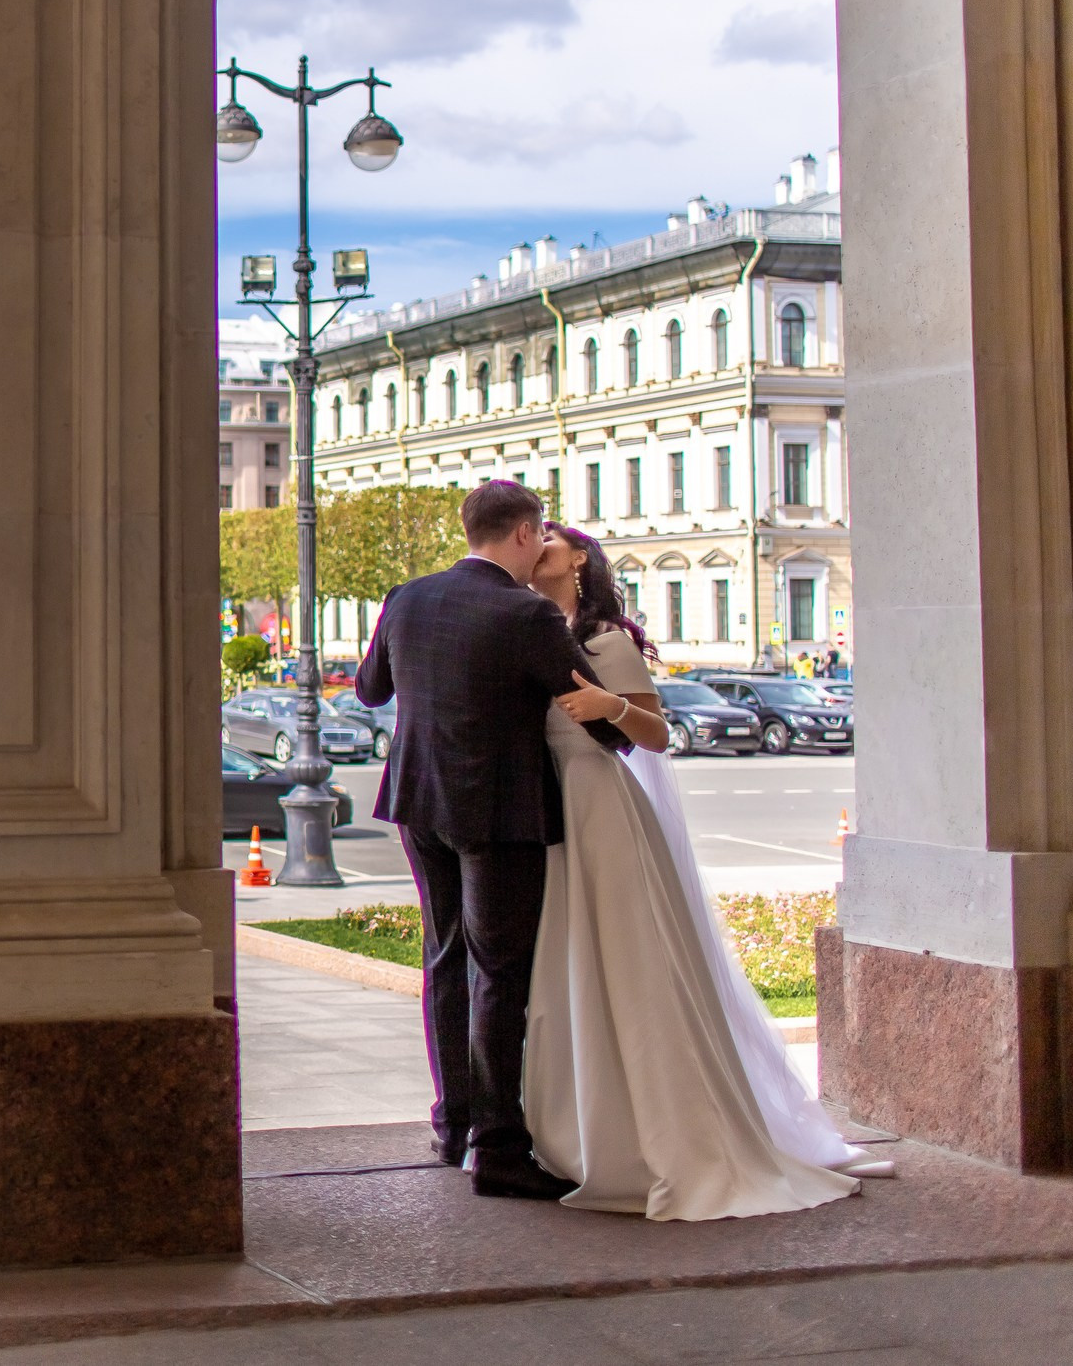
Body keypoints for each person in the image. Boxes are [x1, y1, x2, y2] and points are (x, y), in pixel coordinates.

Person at [516, 523, 888, 1218]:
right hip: (552, 820)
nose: (539, 543)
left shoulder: (607, 639)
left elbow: (655, 735)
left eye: (553, 537)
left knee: (631, 969)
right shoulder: (531, 632)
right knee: (569, 975)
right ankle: (579, 1134)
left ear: (579, 559)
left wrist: (609, 706)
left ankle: (666, 1136)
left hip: (602, 811)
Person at [353, 480, 608, 1201]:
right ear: (524, 533)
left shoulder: (406, 597)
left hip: (418, 800)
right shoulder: (525, 611)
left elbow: (372, 690)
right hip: (497, 810)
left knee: (445, 956)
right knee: (499, 971)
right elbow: (594, 710)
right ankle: (499, 1147)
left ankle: (454, 1120)